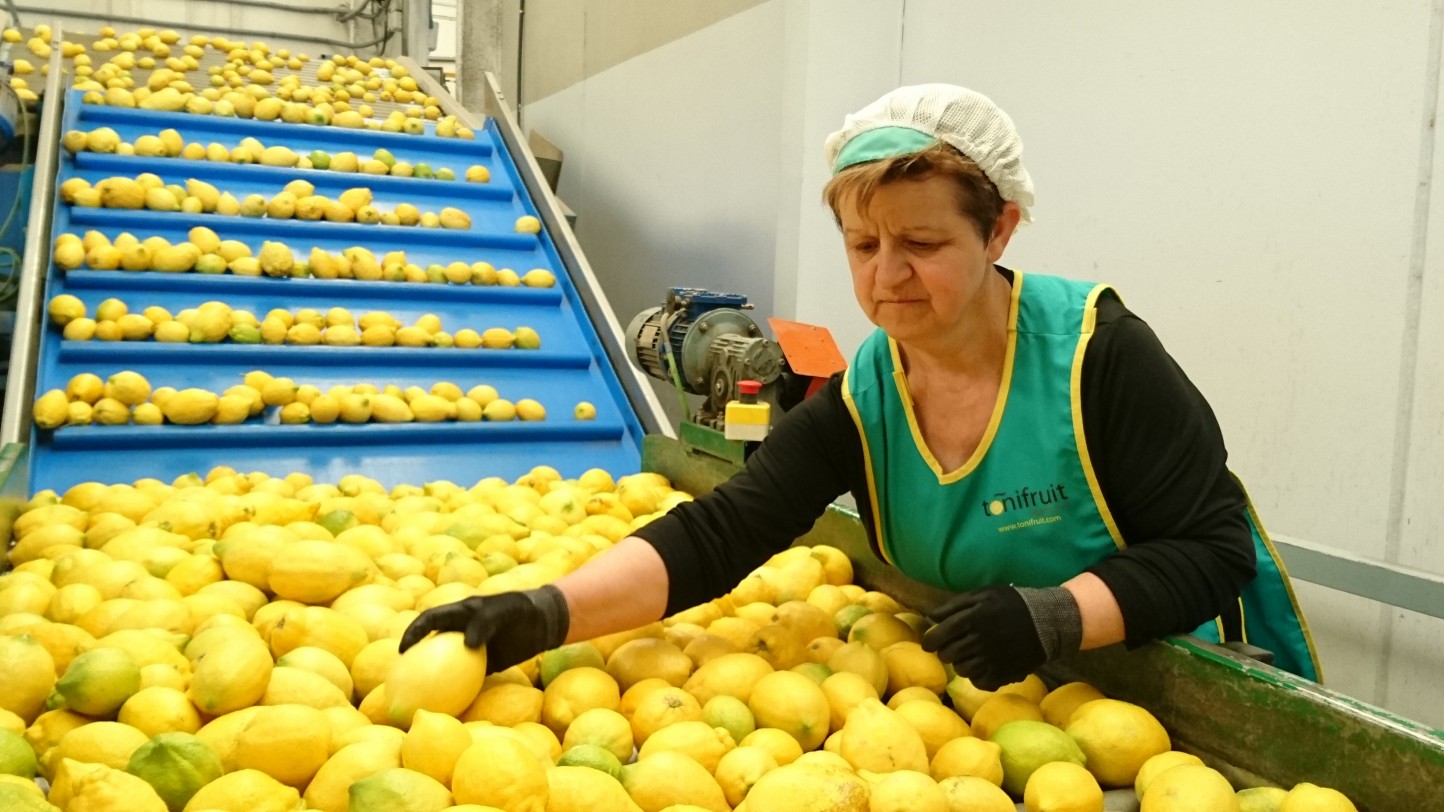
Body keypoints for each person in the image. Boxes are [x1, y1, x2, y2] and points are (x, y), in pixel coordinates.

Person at [402, 84, 1321, 689]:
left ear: (998, 232)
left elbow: (1209, 549)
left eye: (922, 245)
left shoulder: (1098, 355)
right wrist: (544, 611)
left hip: (1187, 692)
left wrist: (1054, 614)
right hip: (1023, 707)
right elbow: (726, 530)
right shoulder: (867, 393)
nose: (887, 277)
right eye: (863, 246)